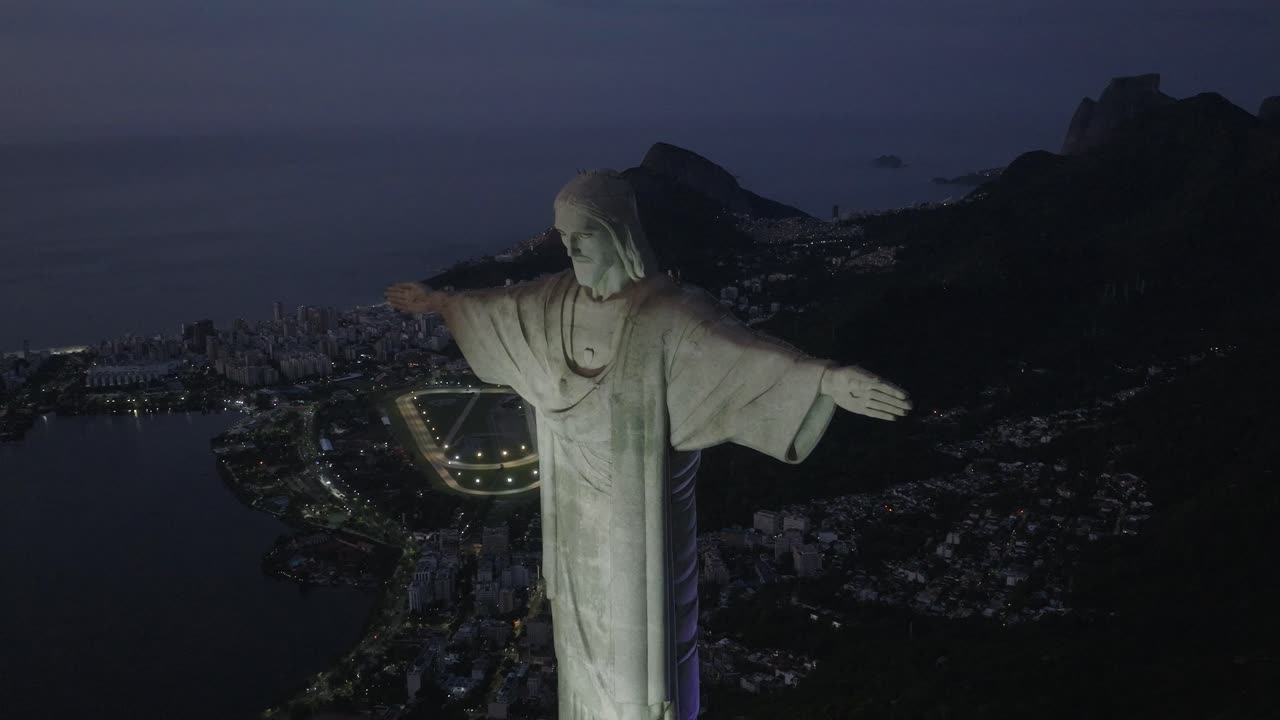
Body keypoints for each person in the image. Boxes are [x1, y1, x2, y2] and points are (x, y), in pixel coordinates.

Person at [386, 169, 911, 720]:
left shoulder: (670, 315)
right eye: (564, 237)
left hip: (640, 515)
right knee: (577, 641)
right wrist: (438, 303)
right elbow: (495, 307)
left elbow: (743, 354)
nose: (572, 248)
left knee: (643, 660)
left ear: (616, 233)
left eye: (582, 235)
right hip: (572, 508)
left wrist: (827, 380)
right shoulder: (551, 301)